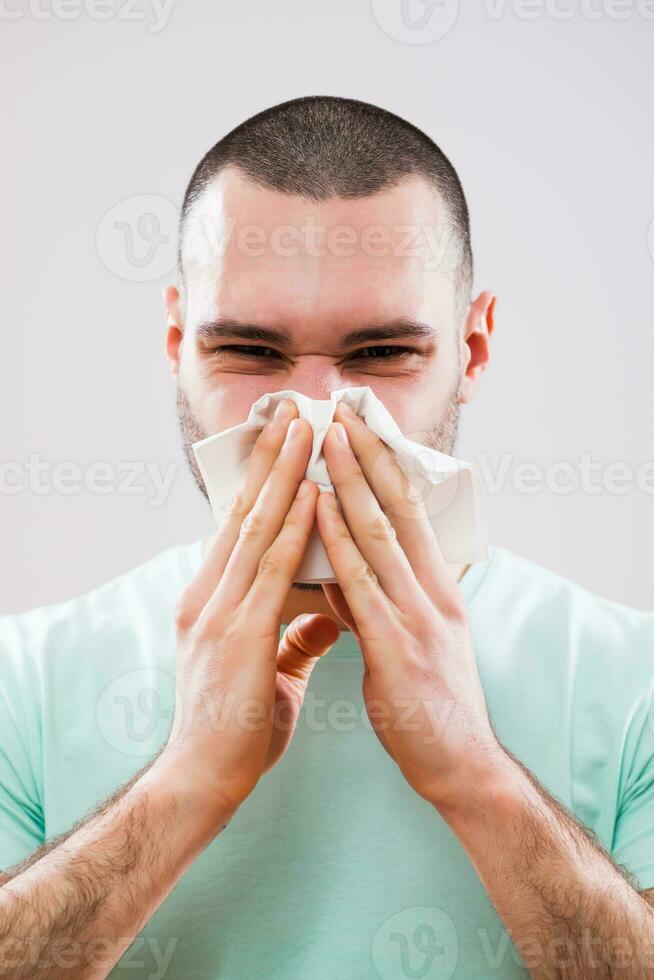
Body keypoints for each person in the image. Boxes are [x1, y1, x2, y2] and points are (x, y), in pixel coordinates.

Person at [0, 95, 652, 980]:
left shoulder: (633, 680)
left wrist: (475, 773)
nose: (315, 421)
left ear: (474, 348)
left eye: (384, 353)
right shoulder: (23, 680)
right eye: (251, 352)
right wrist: (186, 784)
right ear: (175, 343)